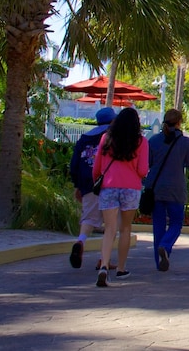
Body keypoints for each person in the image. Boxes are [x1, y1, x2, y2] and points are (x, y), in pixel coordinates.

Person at [92, 107, 149, 287]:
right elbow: (142, 170)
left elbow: (97, 167)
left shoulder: (106, 139)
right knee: (125, 229)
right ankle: (121, 268)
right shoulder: (141, 142)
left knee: (110, 229)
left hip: (108, 186)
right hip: (131, 188)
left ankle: (104, 265)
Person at [145, 108, 189, 272]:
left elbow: (147, 164)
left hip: (156, 188)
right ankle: (165, 246)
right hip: (176, 188)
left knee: (158, 225)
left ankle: (158, 261)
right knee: (176, 223)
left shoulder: (153, 141)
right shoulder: (185, 142)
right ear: (179, 122)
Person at [68, 107, 116, 270]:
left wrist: (78, 185)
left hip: (88, 183)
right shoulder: (113, 137)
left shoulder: (84, 138)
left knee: (88, 217)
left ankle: (80, 241)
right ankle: (104, 259)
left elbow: (74, 164)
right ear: (112, 120)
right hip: (110, 182)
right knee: (111, 224)